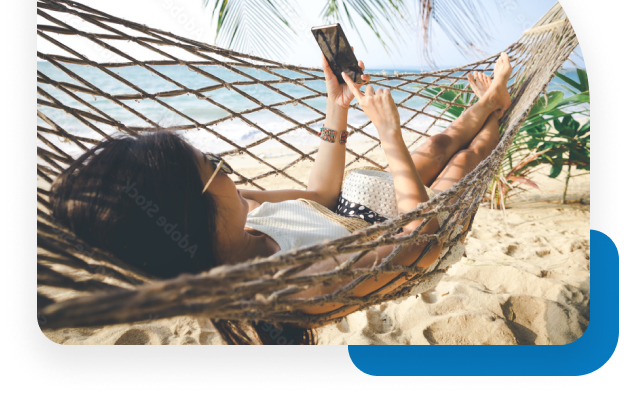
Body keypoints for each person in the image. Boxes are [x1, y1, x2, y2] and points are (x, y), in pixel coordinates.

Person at [50, 51, 512, 345]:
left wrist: (337, 105)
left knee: (434, 147)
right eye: (213, 164)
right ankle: (497, 110)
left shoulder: (234, 210)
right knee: (463, 163)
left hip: (356, 198)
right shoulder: (293, 287)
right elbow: (419, 244)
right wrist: (389, 136)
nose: (224, 168)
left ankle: (491, 97)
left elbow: (320, 193)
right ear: (195, 212)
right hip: (399, 230)